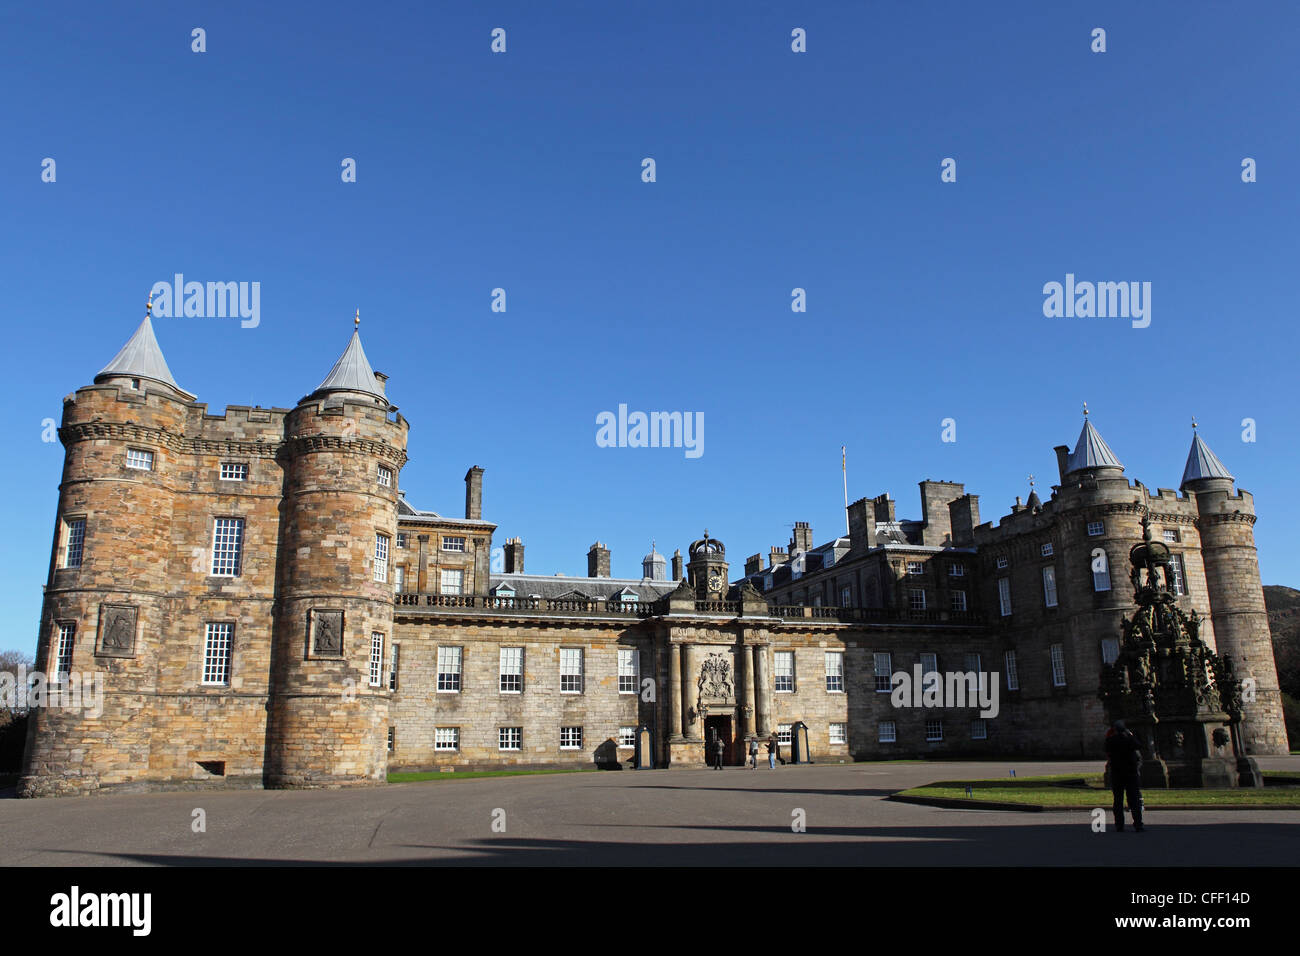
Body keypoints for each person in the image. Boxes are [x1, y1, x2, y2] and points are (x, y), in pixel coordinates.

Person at [1105, 720, 1144, 832]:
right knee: (1134, 800)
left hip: (1117, 773)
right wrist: (1130, 735)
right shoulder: (1129, 739)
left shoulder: (1111, 740)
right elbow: (1138, 745)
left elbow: (1107, 750)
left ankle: (1119, 825)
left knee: (1118, 800)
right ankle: (1138, 824)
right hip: (1130, 772)